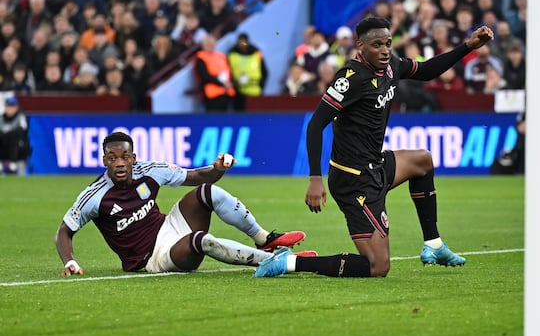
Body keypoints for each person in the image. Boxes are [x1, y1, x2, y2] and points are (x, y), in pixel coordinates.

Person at [254, 17, 495, 278]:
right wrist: (315, 178)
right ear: (361, 46)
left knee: (422, 161)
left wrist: (468, 46)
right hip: (353, 181)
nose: (384, 50)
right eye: (377, 44)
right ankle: (290, 262)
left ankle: (433, 244)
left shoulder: (391, 65)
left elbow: (427, 71)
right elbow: (315, 125)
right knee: (378, 267)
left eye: (388, 43)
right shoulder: (350, 79)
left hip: (376, 165)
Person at [55, 131, 308, 276]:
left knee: (209, 191)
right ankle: (272, 261)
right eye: (112, 158)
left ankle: (265, 239)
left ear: (133, 158)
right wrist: (70, 261)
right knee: (202, 240)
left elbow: (196, 176)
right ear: (104, 161)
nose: (119, 163)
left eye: (124, 157)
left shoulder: (151, 170)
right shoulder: (94, 196)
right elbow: (64, 231)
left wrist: (217, 169)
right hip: (153, 258)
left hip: (169, 226)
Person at [194, 34, 237, 112]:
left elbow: (229, 71)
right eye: (208, 44)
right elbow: (205, 76)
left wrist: (230, 83)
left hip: (226, 92)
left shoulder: (221, 56)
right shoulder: (201, 57)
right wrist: (221, 83)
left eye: (212, 44)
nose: (211, 46)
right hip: (212, 94)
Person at [227, 32, 268, 110]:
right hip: (238, 93)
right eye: (240, 42)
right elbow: (229, 72)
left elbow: (264, 71)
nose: (242, 44)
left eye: (244, 42)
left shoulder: (256, 53)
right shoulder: (232, 54)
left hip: (255, 92)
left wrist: (261, 86)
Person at [0, 96, 31, 175]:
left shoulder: (21, 117)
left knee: (14, 136)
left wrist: (6, 134)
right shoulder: (1, 118)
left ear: (16, 107)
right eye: (8, 106)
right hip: (3, 147)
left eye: (12, 106)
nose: (10, 109)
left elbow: (22, 129)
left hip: (19, 147)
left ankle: (12, 165)